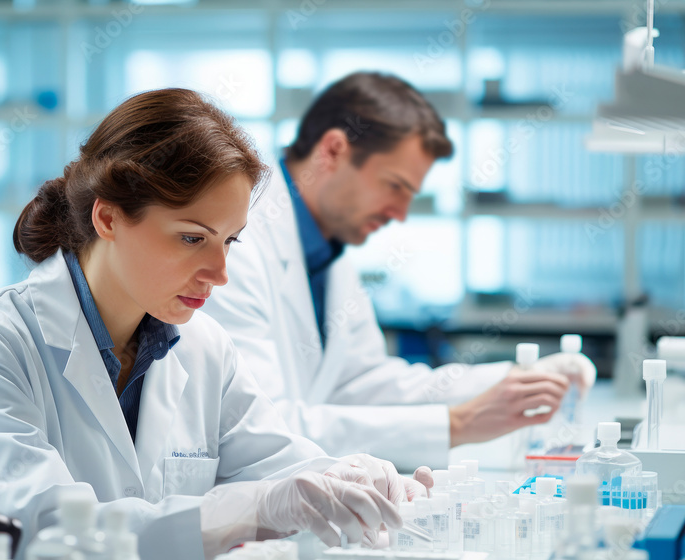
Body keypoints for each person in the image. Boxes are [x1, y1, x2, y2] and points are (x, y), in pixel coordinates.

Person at [0, 88, 432, 559]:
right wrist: (253, 510)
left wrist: (358, 480)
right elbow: (52, 532)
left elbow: (279, 464)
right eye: (193, 237)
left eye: (229, 241)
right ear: (108, 217)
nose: (219, 273)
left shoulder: (202, 349)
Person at [204, 72, 598, 471]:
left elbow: (365, 384)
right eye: (394, 186)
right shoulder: (239, 236)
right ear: (334, 151)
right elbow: (261, 427)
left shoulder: (328, 252)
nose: (400, 214)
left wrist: (514, 381)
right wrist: (457, 424)